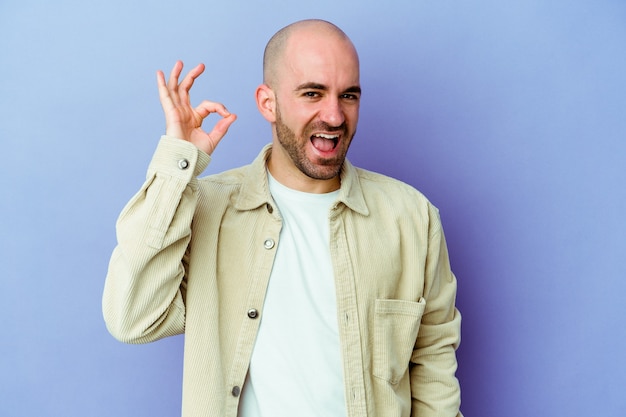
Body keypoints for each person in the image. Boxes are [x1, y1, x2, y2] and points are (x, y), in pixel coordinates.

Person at [103, 19, 462, 417]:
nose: (335, 115)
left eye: (348, 95)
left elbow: (433, 364)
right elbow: (131, 318)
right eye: (313, 93)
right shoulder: (208, 210)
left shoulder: (411, 217)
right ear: (267, 102)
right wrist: (177, 164)